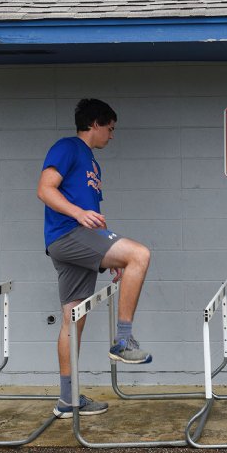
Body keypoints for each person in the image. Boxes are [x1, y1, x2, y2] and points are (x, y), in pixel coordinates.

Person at [37, 98, 153, 419]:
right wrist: (77, 213)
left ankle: (67, 399)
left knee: (73, 319)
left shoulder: (92, 163)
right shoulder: (68, 147)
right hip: (68, 233)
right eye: (110, 129)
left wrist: (111, 256)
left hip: (76, 241)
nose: (112, 136)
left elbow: (94, 217)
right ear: (95, 124)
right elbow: (45, 189)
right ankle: (124, 341)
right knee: (140, 254)